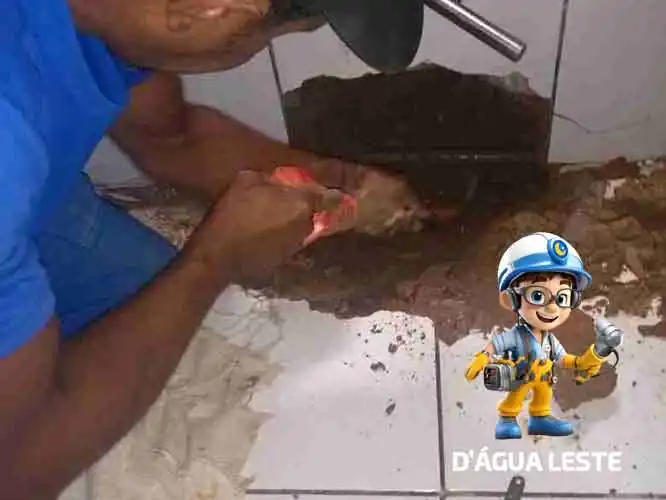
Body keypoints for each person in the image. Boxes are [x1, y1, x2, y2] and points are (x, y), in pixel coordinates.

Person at [0, 0, 426, 496]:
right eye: (261, 38)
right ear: (213, 10)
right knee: (63, 418)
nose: (251, 51)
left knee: (147, 301)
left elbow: (173, 139)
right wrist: (213, 259)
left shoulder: (116, 16)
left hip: (33, 205)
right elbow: (16, 474)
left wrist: (337, 182)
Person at [464, 233, 618, 440]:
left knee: (544, 395)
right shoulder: (518, 336)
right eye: (538, 295)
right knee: (516, 397)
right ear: (511, 299)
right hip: (522, 376)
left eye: (562, 297)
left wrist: (591, 357)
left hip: (544, 378)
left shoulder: (550, 340)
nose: (553, 308)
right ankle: (507, 418)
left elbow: (564, 359)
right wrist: (482, 357)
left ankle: (540, 417)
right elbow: (497, 344)